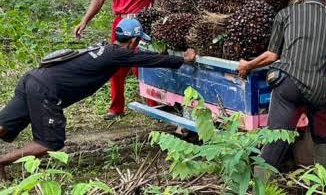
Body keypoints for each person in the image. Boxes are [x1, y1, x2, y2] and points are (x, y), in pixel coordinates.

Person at [0, 19, 196, 181]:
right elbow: (149, 60)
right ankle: (2, 161)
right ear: (133, 41)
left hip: (32, 78)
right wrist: (183, 59)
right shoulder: (119, 54)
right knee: (49, 142)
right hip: (45, 89)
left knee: (4, 126)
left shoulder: (104, 48)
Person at [236, 0, 326, 175]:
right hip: (318, 89)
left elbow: (272, 55)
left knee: (276, 139)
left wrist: (247, 65)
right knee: (321, 134)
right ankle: (321, 179)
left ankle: (260, 184)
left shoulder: (285, 14)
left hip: (288, 85)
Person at [74, 0, 160, 120]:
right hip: (120, 24)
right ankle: (116, 108)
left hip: (143, 24)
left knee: (144, 64)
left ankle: (155, 106)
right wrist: (84, 21)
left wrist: (158, 22)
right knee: (116, 65)